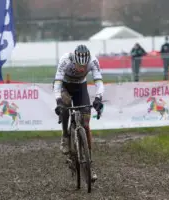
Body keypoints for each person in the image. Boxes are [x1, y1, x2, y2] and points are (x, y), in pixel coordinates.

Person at [54, 45, 104, 182]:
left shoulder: (93, 61)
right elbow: (57, 83)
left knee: (86, 124)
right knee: (64, 107)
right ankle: (65, 135)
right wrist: (58, 101)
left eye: (84, 66)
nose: (82, 69)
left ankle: (89, 164)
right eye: (78, 65)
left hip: (80, 87)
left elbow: (99, 82)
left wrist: (98, 98)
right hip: (65, 86)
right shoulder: (65, 60)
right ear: (74, 60)